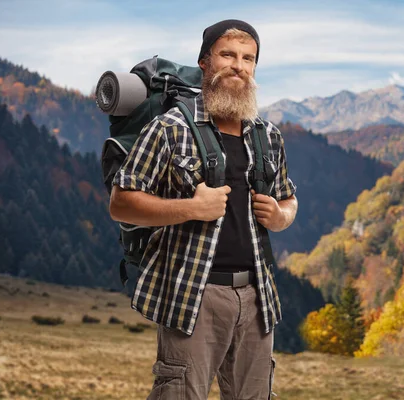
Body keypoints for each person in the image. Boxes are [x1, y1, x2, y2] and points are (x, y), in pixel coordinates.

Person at [109, 19, 297, 400]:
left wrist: (281, 216)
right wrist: (191, 208)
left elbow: (288, 199)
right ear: (205, 63)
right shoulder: (170, 127)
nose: (238, 66)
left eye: (248, 58)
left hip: (257, 294)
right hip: (193, 294)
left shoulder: (268, 136)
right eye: (227, 54)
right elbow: (121, 202)